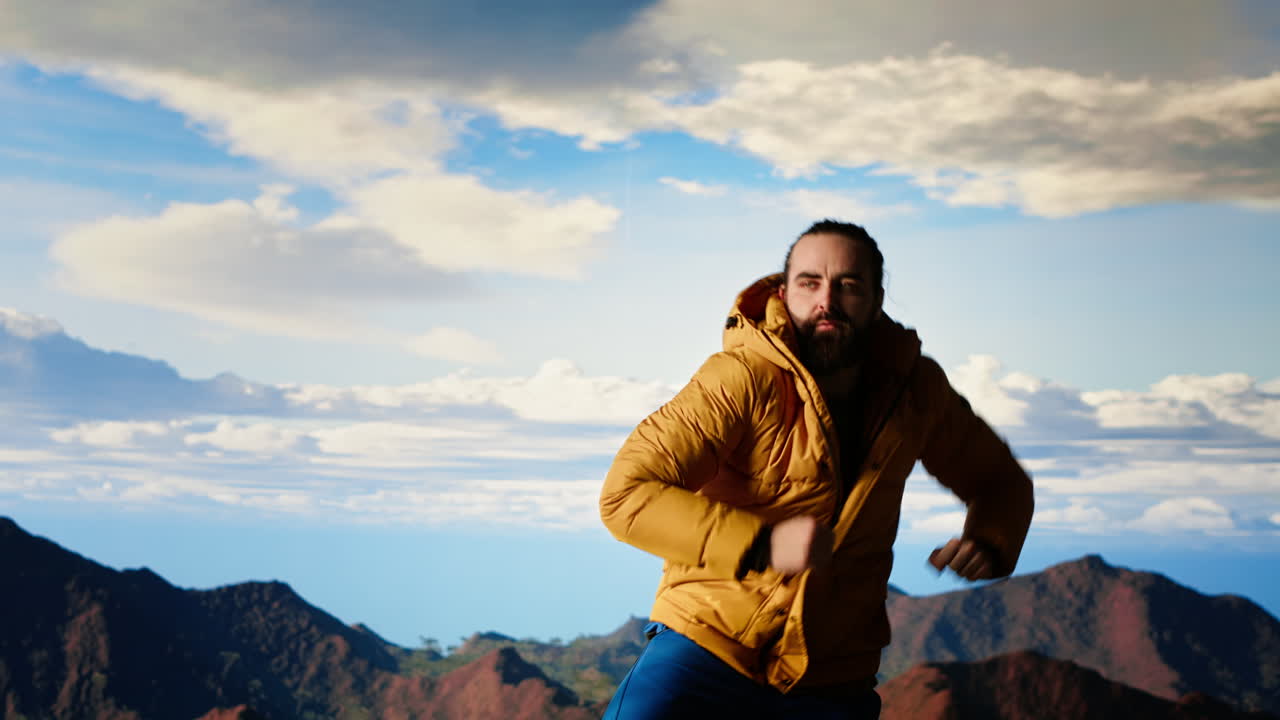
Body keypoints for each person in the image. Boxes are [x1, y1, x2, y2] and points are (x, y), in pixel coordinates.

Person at [598, 220, 1035, 719]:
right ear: (785, 294)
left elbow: (1001, 482)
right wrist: (761, 544)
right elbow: (626, 495)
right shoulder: (740, 378)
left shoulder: (917, 391)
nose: (826, 300)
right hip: (706, 647)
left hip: (832, 674)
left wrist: (990, 540)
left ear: (876, 299)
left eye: (848, 285)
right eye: (810, 283)